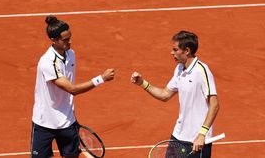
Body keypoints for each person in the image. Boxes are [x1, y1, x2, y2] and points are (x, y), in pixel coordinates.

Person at [30, 15, 115, 158]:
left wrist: (71, 114)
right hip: (44, 122)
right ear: (53, 40)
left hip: (67, 122)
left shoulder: (71, 54)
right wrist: (101, 79)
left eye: (70, 37)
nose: (70, 42)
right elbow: (72, 89)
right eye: (65, 40)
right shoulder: (47, 62)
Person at [131, 30, 220, 158]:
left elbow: (215, 104)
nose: (171, 52)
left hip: (196, 140)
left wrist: (202, 134)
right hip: (178, 136)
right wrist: (142, 83)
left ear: (187, 51)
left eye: (175, 49)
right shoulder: (179, 69)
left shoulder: (202, 71)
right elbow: (165, 94)